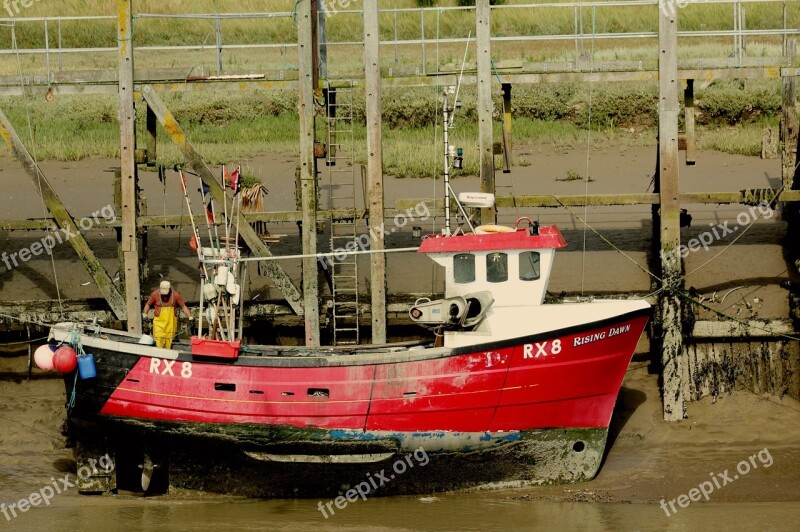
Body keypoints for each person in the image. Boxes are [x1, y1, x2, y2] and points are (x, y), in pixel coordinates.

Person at [142, 281, 192, 349]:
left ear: (169, 289)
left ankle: (166, 357)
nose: (164, 295)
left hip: (171, 324)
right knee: (158, 339)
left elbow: (183, 306)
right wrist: (145, 315)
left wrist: (190, 317)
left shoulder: (176, 295)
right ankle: (158, 355)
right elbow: (148, 304)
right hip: (158, 323)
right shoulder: (155, 294)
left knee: (169, 341)